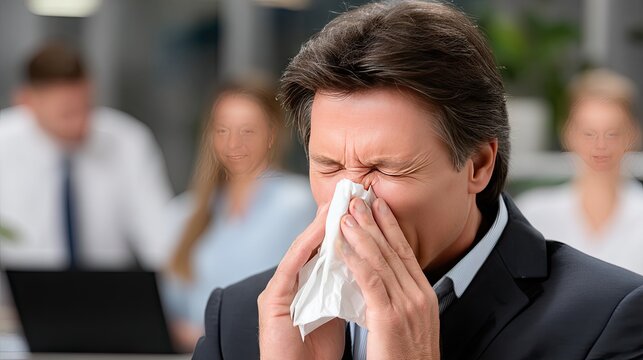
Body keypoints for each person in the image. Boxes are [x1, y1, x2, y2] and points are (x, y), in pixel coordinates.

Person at [192, 2, 643, 359]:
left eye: (386, 169)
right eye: (328, 166)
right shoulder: (239, 319)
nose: (351, 201)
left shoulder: (607, 319)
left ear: (479, 166)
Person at [162, 82, 317, 351]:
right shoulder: (184, 213)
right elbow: (170, 307)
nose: (234, 143)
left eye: (248, 130)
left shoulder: (298, 204)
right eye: (223, 130)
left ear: (272, 134)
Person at [0, 43, 173, 273]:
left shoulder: (128, 142)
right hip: (10, 302)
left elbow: (160, 239)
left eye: (86, 107)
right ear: (27, 102)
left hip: (109, 298)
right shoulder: (4, 145)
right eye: (67, 113)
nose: (81, 123)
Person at [518, 69, 643, 275]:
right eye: (588, 133)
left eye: (612, 133)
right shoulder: (533, 215)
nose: (600, 145)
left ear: (633, 135)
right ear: (568, 134)